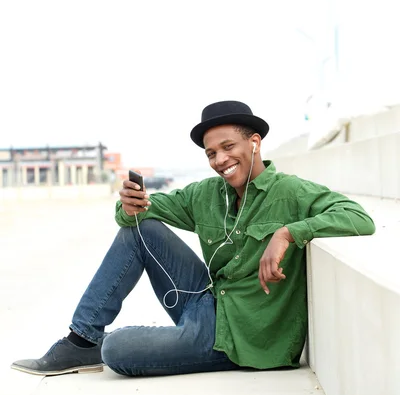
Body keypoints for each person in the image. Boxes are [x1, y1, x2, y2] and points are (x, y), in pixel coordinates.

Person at [11, 101, 375, 377]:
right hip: (208, 301)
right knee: (142, 229)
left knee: (118, 351)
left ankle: (114, 345)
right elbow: (138, 216)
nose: (220, 160)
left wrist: (288, 233)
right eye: (211, 153)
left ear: (255, 142)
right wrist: (129, 204)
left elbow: (359, 217)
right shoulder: (206, 195)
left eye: (229, 147)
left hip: (241, 340)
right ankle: (82, 340)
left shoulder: (291, 193)